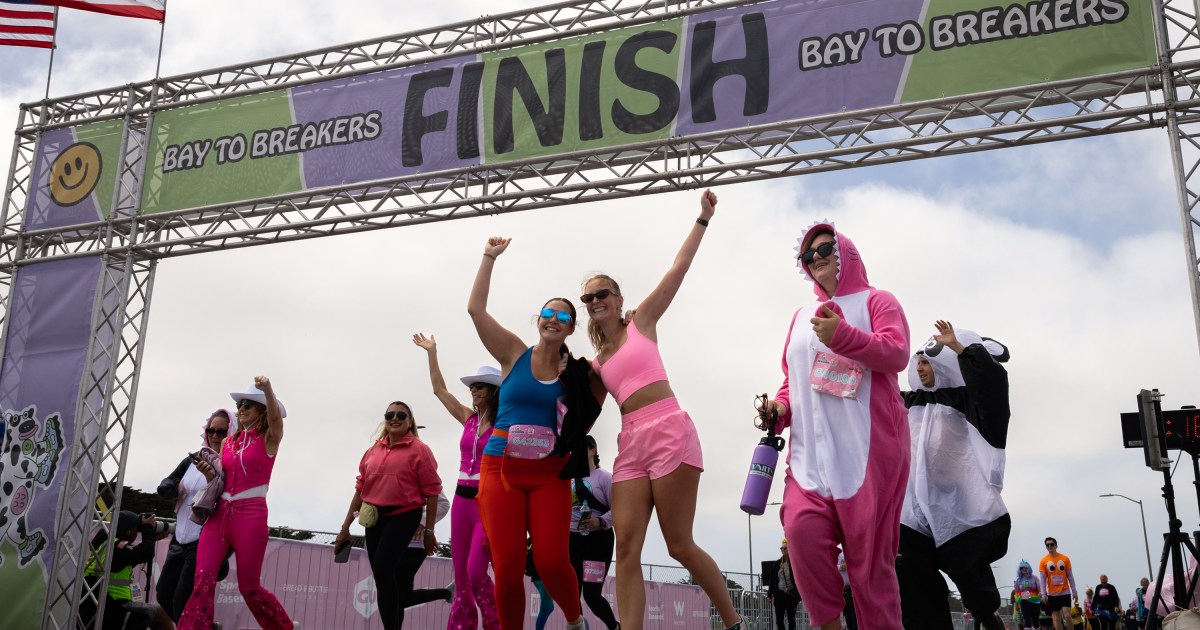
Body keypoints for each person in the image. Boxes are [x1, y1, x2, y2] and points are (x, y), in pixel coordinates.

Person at [583, 189, 741, 630]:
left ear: (617, 298)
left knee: (679, 545)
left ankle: (733, 623)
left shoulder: (642, 322)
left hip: (669, 429)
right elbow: (580, 416)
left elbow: (679, 268)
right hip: (630, 443)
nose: (596, 302)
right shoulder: (595, 366)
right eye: (588, 299)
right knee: (626, 548)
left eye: (602, 294)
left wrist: (703, 218)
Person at [757, 221, 911, 630]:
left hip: (869, 456)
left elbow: (896, 354)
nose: (817, 259)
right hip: (810, 459)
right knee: (801, 534)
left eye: (825, 249)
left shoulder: (878, 301)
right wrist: (779, 408)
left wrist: (842, 335)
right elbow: (793, 381)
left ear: (846, 252)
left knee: (870, 571)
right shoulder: (800, 316)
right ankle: (830, 624)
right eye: (809, 256)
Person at [467, 236, 588, 630]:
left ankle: (574, 622)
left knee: (552, 560)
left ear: (571, 329)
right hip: (500, 467)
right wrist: (488, 257)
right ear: (538, 319)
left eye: (563, 317)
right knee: (507, 565)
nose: (554, 319)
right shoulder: (513, 353)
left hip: (549, 473)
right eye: (547, 313)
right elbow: (475, 309)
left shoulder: (577, 373)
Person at [897, 320, 1011, 630]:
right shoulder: (908, 402)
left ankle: (989, 618)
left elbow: (993, 388)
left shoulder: (967, 401)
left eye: (927, 362)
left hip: (958, 512)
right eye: (917, 362)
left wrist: (962, 349)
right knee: (911, 578)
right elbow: (870, 397)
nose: (920, 369)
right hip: (914, 513)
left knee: (976, 588)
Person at [177, 376, 294, 630]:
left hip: (250, 515)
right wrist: (209, 472)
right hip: (219, 514)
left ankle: (283, 627)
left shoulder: (269, 439)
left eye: (247, 406)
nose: (240, 409)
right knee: (203, 579)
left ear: (260, 411)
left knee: (249, 586)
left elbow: (276, 421)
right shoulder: (229, 442)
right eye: (240, 405)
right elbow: (222, 478)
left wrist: (268, 390)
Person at [413, 332, 502, 630]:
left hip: (488, 503)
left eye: (479, 387)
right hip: (462, 501)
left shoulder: (506, 424)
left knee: (477, 573)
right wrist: (432, 352)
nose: (473, 391)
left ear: (493, 391)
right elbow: (440, 390)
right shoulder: (468, 419)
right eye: (472, 387)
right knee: (461, 577)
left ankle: (495, 625)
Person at [335, 401, 442, 629]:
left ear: (409, 421)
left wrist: (429, 531)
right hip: (374, 517)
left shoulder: (420, 450)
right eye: (389, 414)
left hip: (404, 514)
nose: (395, 418)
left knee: (384, 569)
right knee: (382, 577)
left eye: (401, 415)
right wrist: (345, 529)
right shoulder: (373, 450)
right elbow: (360, 490)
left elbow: (432, 493)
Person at [155, 409, 232, 621]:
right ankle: (197, 627)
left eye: (221, 432)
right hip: (179, 537)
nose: (215, 436)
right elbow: (167, 481)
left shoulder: (231, 464)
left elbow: (231, 502)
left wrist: (212, 480)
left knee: (183, 599)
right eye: (211, 431)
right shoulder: (192, 460)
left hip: (204, 540)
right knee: (163, 594)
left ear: (231, 433)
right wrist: (168, 487)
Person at [80, 510, 175, 630]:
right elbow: (146, 553)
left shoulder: (105, 544)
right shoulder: (115, 548)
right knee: (158, 613)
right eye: (136, 529)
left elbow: (128, 560)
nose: (137, 533)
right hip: (112, 607)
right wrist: (147, 529)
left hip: (96, 607)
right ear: (128, 530)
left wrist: (151, 539)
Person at [569, 435, 619, 630]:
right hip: (572, 539)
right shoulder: (569, 477)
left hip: (598, 542)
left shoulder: (606, 478)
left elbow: (619, 510)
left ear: (592, 450)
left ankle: (614, 627)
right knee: (572, 594)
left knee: (591, 595)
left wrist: (599, 521)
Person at [399, 489, 453, 610]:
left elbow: (443, 504)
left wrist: (422, 522)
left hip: (413, 544)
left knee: (396, 598)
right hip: (389, 541)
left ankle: (447, 593)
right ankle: (447, 593)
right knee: (397, 598)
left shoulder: (422, 470)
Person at [1039, 537, 1079, 630]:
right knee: (1056, 618)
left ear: (1056, 546)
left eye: (1052, 544)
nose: (1050, 546)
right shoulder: (1043, 561)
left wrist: (1074, 592)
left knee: (1067, 616)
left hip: (1065, 592)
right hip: (1052, 594)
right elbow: (1042, 579)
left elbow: (1070, 576)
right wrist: (1044, 594)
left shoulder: (1065, 558)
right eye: (1047, 545)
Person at [764, 539, 800, 630]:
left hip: (790, 595)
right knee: (779, 620)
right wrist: (769, 594)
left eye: (785, 548)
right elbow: (772, 580)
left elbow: (799, 579)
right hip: (779, 594)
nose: (783, 550)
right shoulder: (777, 564)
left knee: (791, 620)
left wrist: (794, 591)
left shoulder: (794, 563)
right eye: (781, 548)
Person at [526, 541, 555, 630]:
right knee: (544, 609)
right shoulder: (543, 540)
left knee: (550, 607)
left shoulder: (532, 540)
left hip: (536, 577)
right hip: (542, 578)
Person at [1014, 560, 1045, 630]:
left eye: (1026, 568)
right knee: (1027, 619)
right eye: (1022, 568)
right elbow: (1017, 593)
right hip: (1024, 602)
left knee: (1036, 621)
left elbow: (1039, 589)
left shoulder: (1035, 578)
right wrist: (1016, 604)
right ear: (1020, 570)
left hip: (1035, 602)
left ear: (1029, 568)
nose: (1024, 569)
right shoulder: (1018, 580)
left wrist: (1040, 593)